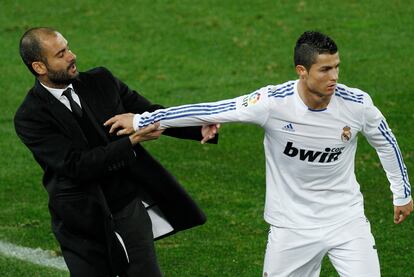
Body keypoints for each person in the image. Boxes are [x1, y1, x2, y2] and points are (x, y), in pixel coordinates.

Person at [105, 31, 413, 276]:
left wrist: (401, 193)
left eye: (337, 67)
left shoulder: (356, 104)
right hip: (290, 228)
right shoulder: (272, 103)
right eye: (325, 69)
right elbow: (211, 110)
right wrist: (142, 119)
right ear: (302, 71)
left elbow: (386, 142)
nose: (334, 76)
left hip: (346, 221)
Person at [14, 27, 219, 277]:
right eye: (61, 54)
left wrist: (197, 127)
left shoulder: (101, 81)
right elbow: (76, 166)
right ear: (39, 67)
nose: (72, 56)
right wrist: (132, 140)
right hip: (81, 220)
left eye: (68, 47)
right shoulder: (30, 116)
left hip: (127, 205)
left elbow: (148, 113)